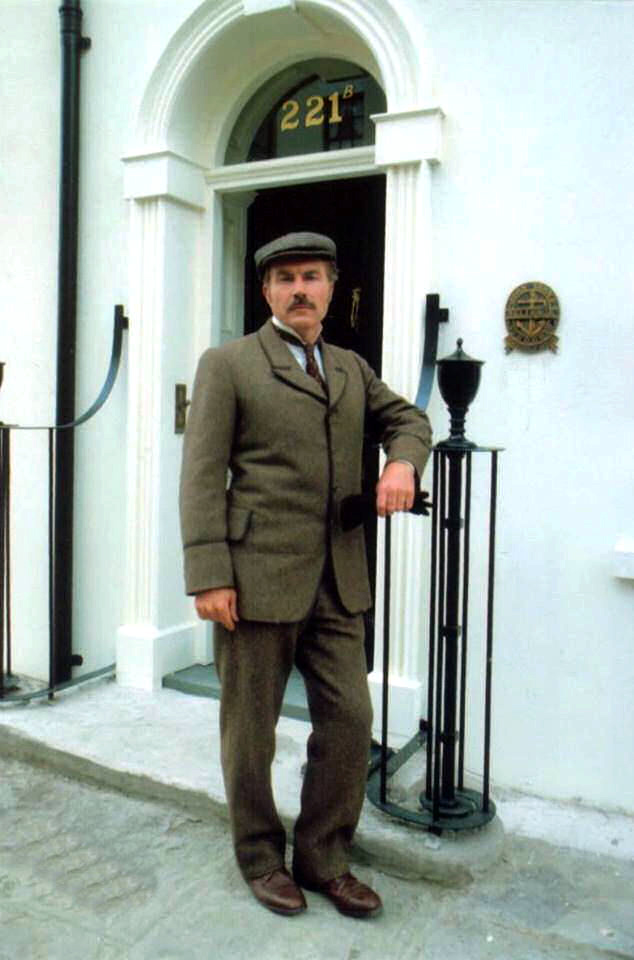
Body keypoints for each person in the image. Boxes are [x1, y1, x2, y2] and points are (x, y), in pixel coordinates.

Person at [179, 231, 432, 918]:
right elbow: (201, 476)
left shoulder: (349, 367)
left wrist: (402, 462)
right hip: (254, 578)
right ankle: (260, 857)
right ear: (266, 291)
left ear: (331, 287)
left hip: (339, 580)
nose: (300, 289)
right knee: (250, 733)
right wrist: (209, 574)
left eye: (312, 276)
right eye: (286, 278)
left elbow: (409, 419)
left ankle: (323, 858)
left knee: (350, 720)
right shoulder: (229, 364)